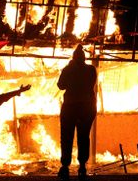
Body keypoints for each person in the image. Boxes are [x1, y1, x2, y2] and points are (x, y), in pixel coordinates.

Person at [57, 44, 97, 181]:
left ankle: (65, 166)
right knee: (83, 137)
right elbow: (90, 83)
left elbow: (60, 85)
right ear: (84, 58)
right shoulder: (91, 70)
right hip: (87, 108)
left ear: (73, 58)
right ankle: (82, 166)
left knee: (67, 137)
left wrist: (69, 67)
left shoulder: (68, 70)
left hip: (70, 107)